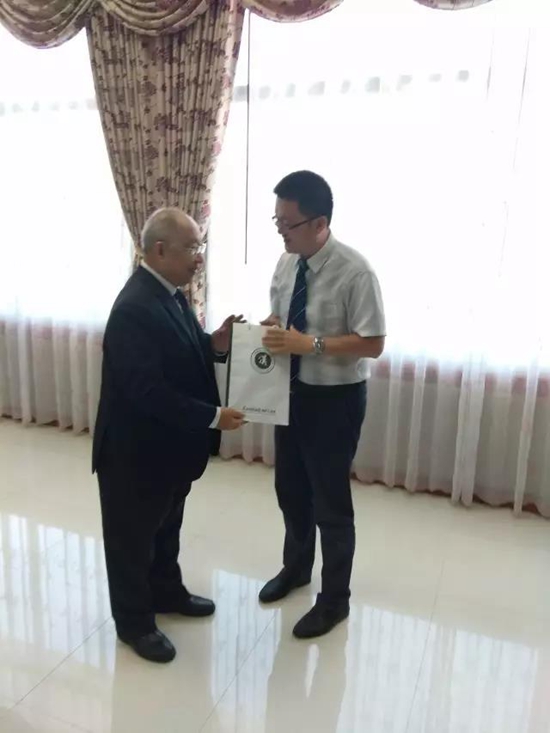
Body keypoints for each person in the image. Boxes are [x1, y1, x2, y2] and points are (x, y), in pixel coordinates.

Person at [92, 207, 245, 663]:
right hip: (134, 454)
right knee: (131, 541)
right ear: (160, 250)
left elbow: (183, 350)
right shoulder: (134, 308)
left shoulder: (171, 294)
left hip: (168, 450)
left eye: (201, 246)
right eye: (192, 247)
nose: (200, 257)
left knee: (165, 529)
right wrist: (213, 416)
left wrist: (214, 342)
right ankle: (134, 624)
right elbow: (148, 392)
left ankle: (166, 592)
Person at [260, 171, 386, 639]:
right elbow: (282, 316)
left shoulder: (355, 271)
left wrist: (308, 344)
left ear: (320, 223)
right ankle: (296, 568)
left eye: (288, 223)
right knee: (290, 490)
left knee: (330, 502)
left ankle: (335, 600)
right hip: (289, 392)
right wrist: (271, 328)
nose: (281, 230)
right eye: (276, 220)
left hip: (335, 400)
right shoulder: (286, 262)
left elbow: (373, 342)